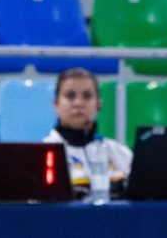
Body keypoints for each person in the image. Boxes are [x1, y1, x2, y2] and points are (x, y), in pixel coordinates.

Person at [43, 68, 133, 199]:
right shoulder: (43, 154)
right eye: (70, 96)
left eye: (87, 96)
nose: (78, 103)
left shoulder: (120, 153)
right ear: (56, 104)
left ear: (99, 104)